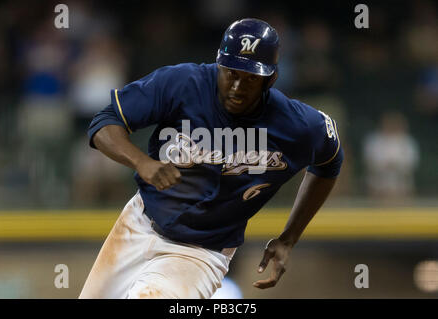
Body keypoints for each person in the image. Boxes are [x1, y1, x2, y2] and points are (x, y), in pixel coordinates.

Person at [79, 18, 343, 299]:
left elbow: (330, 161)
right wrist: (141, 161)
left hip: (200, 254)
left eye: (251, 77)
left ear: (271, 78)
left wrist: (289, 238)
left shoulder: (297, 124)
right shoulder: (182, 83)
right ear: (219, 64)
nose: (238, 86)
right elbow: (105, 122)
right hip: (138, 223)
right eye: (231, 72)